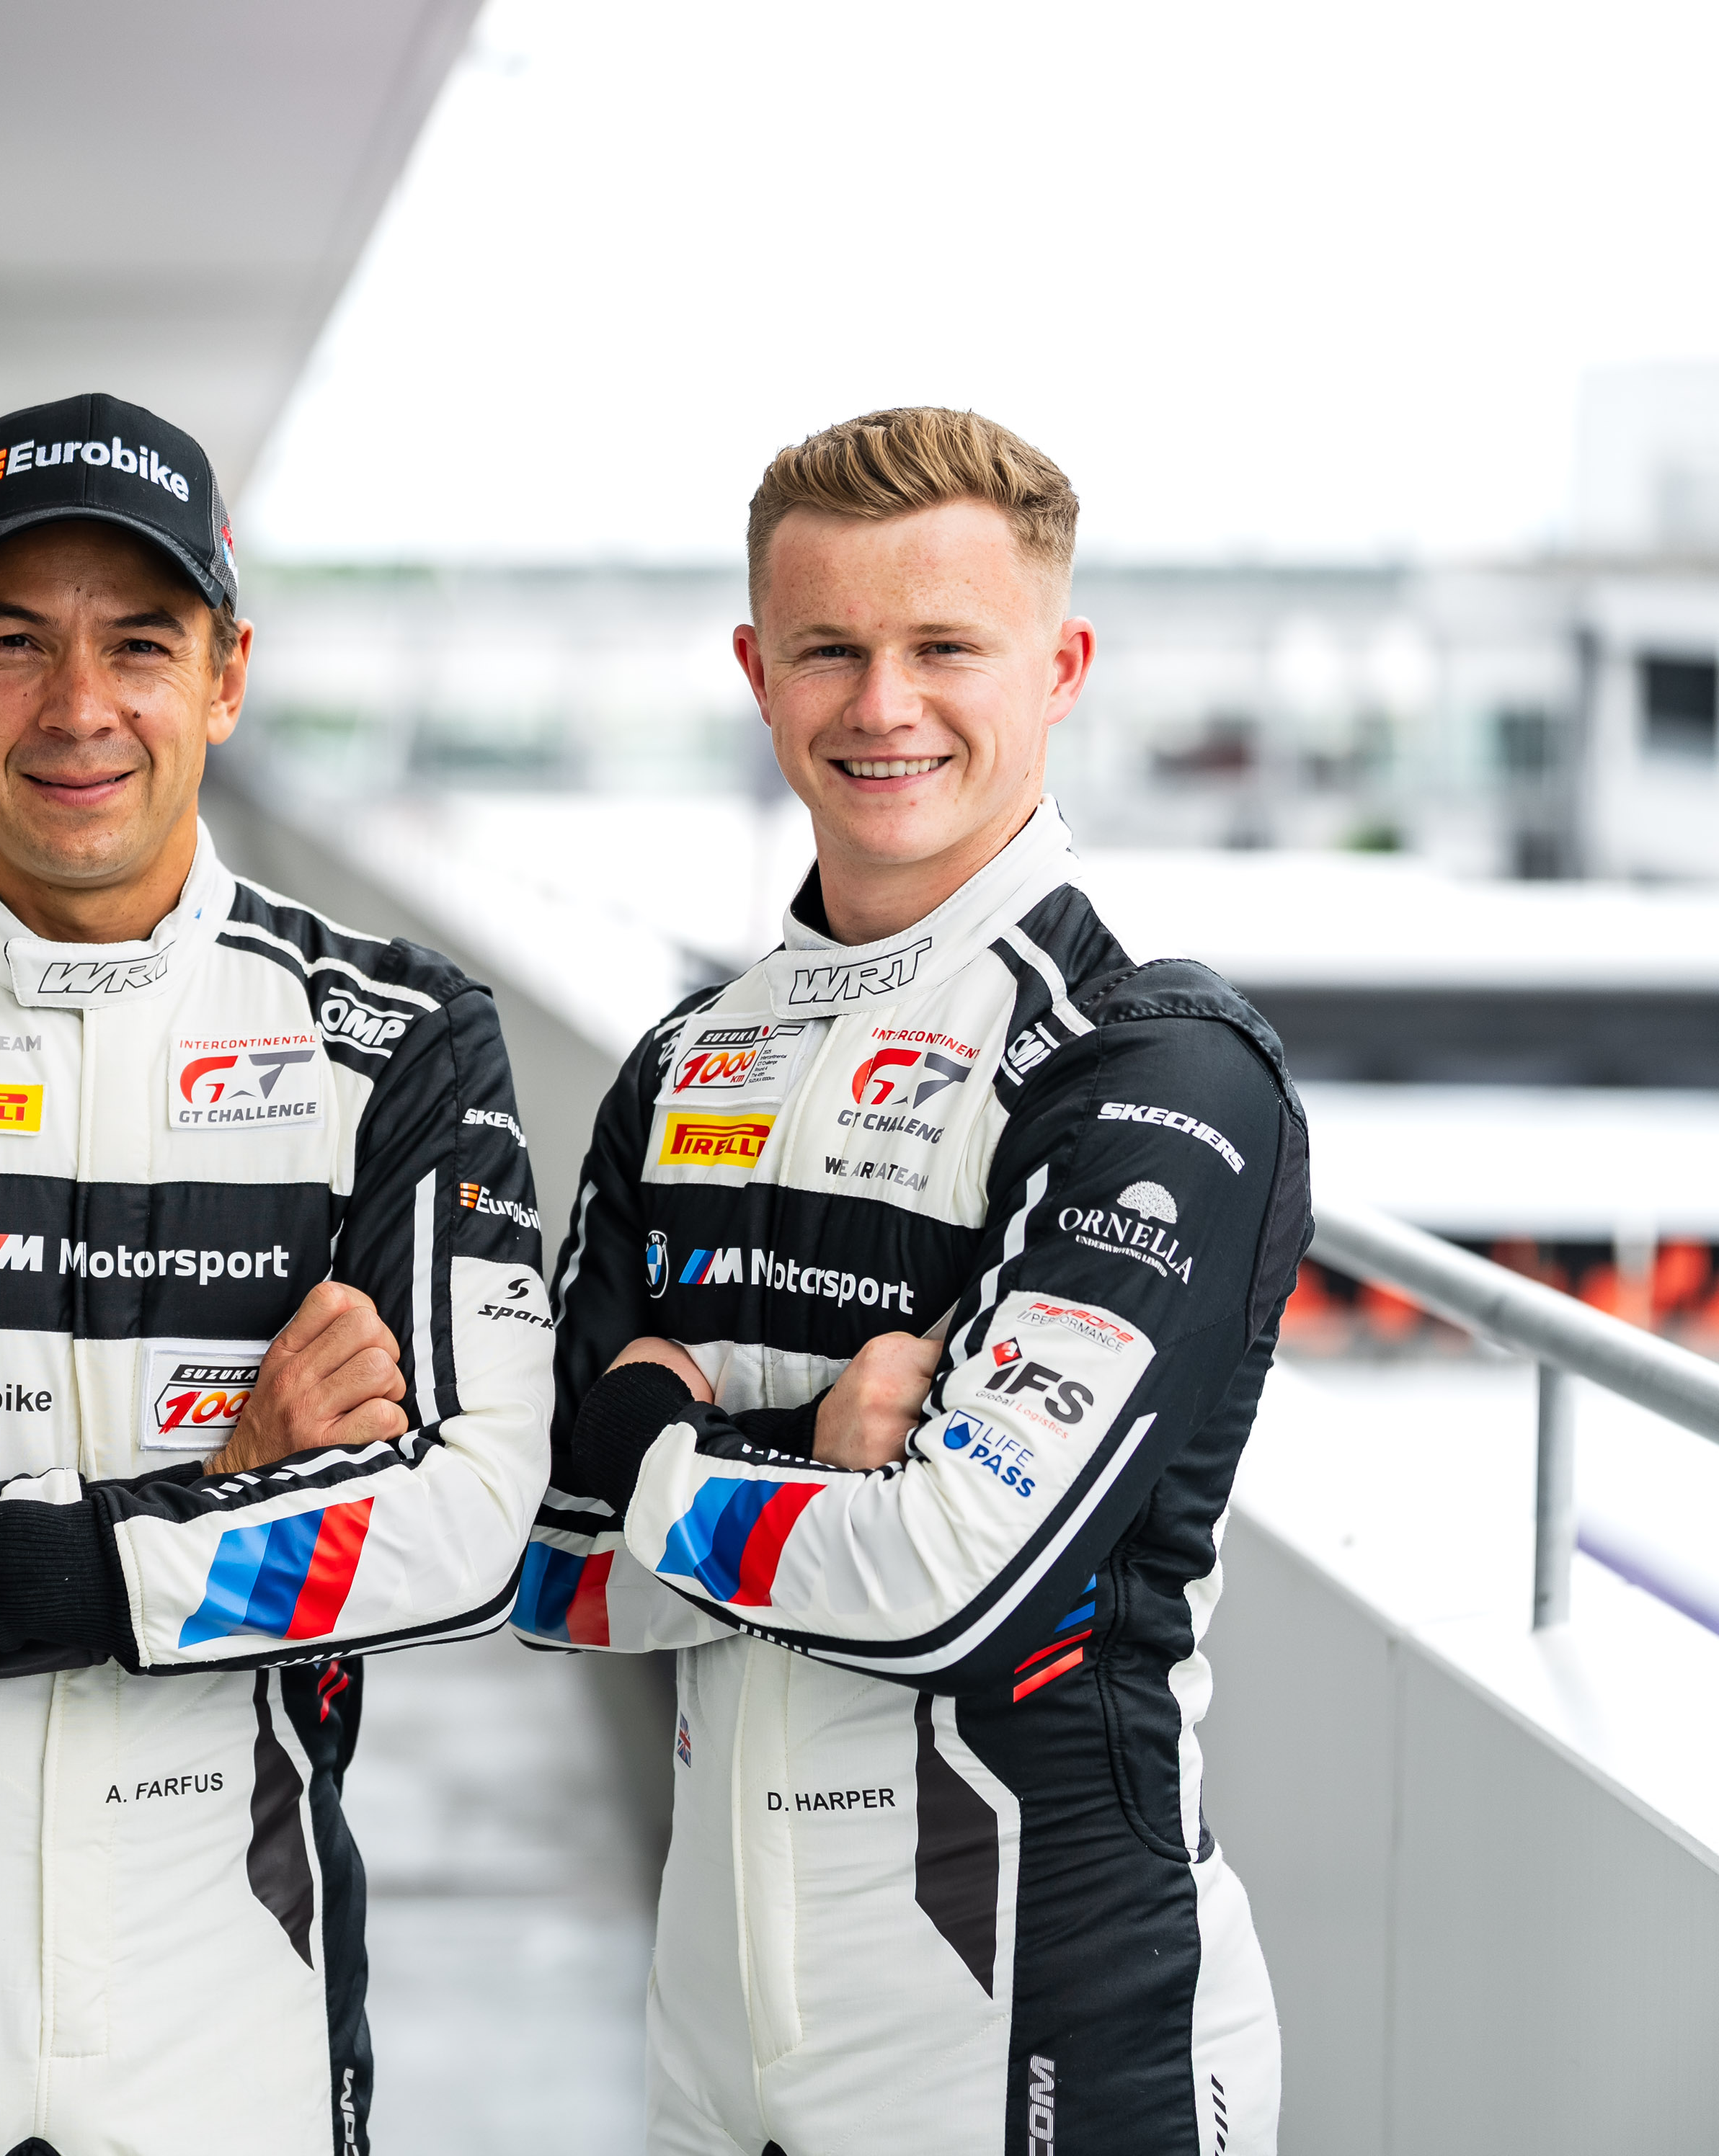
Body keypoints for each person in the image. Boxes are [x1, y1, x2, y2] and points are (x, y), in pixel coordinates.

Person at [0, 391, 554, 2153]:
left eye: (139, 642)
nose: (77, 706)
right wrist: (234, 1484)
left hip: (234, 1980)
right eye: (13, 642)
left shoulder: (400, 1041)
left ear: (225, 677)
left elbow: (465, 1530)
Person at [514, 408, 1309, 2155]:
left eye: (946, 646)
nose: (884, 705)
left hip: (1045, 2045)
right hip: (710, 2045)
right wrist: (810, 1453)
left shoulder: (1154, 1072)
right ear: (757, 671)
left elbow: (956, 1578)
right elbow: (547, 1573)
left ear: (1060, 668)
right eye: (830, 649)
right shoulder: (681, 1065)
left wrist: (654, 1437)